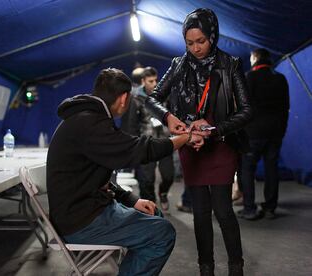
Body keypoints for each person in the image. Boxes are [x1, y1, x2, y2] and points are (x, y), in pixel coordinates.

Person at [46, 68, 204, 276]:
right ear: (124, 98)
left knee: (152, 212)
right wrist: (185, 138)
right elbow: (140, 150)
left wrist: (132, 200)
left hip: (85, 210)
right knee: (162, 233)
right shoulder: (90, 123)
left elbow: (94, 179)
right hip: (80, 222)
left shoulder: (85, 119)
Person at [145, 8, 252, 276]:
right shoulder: (178, 64)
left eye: (201, 42)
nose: (196, 49)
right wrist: (168, 117)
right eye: (190, 43)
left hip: (221, 145)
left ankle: (236, 267)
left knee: (223, 210)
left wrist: (213, 130)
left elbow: (247, 111)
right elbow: (152, 99)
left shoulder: (230, 65)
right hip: (190, 146)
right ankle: (206, 268)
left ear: (212, 36)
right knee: (200, 213)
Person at [238, 48, 290, 220]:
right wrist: (281, 130)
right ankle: (270, 208)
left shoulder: (249, 77)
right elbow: (285, 107)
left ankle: (249, 208)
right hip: (275, 132)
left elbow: (244, 107)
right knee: (271, 169)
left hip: (253, 133)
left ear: (255, 58)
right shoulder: (280, 78)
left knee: (247, 169)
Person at [123, 66, 176, 211]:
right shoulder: (135, 99)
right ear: (143, 81)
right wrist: (133, 148)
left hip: (165, 141)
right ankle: (152, 209)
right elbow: (131, 124)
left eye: (156, 80)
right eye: (150, 81)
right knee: (147, 180)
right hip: (146, 144)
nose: (154, 84)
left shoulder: (164, 96)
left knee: (169, 176)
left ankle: (163, 193)